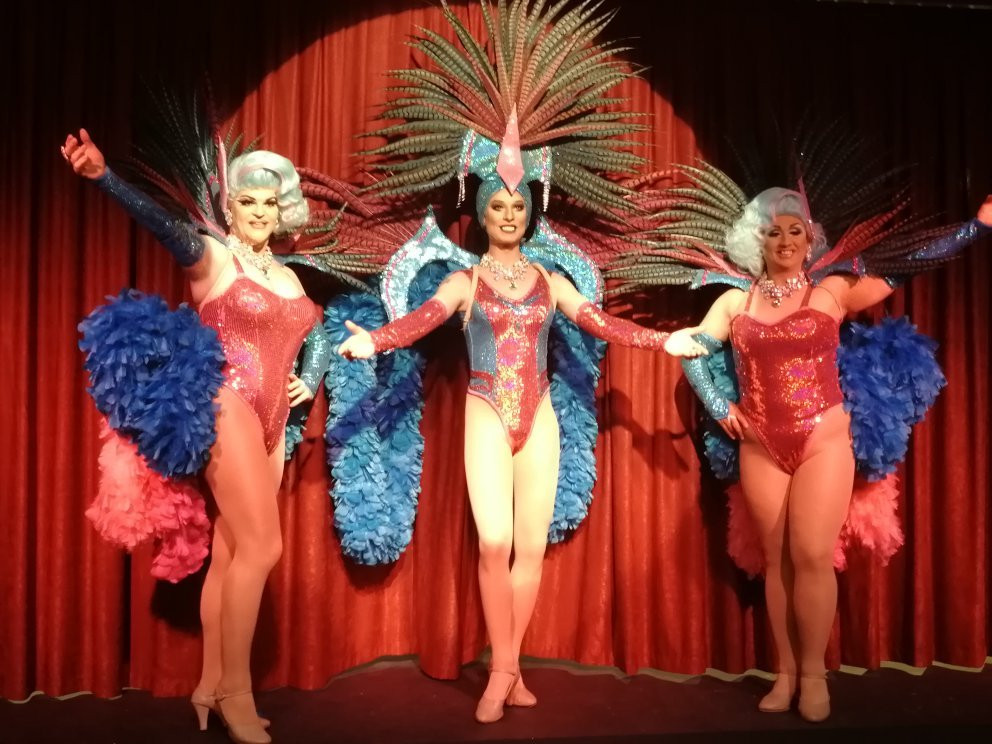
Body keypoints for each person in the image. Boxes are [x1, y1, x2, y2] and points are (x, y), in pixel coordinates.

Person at [339, 174, 705, 723]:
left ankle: (505, 669)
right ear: (482, 215)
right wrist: (376, 339)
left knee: (529, 549)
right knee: (494, 542)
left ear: (529, 214)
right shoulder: (464, 281)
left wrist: (663, 340)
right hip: (486, 413)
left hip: (540, 418)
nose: (509, 215)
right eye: (498, 206)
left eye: (517, 206)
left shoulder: (549, 281)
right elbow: (425, 318)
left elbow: (598, 321)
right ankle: (505, 671)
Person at [669, 185, 992, 722]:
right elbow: (692, 350)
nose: (785, 239)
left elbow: (907, 266)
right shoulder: (733, 302)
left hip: (822, 438)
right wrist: (718, 403)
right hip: (760, 444)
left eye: (795, 230)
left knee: (813, 556)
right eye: (774, 231)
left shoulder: (832, 292)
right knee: (777, 561)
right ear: (756, 240)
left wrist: (975, 228)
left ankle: (815, 675)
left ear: (810, 239)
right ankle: (786, 674)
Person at [63, 129, 332, 744]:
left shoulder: (290, 279)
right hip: (226, 404)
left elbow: (313, 331)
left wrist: (311, 377)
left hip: (273, 421)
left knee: (234, 553)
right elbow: (162, 225)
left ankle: (209, 686)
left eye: (270, 201)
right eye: (248, 201)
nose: (259, 211)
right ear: (230, 206)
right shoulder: (213, 257)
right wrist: (105, 178)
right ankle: (237, 693)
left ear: (283, 208)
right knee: (263, 548)